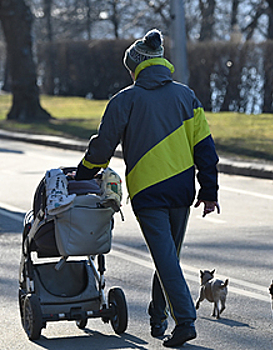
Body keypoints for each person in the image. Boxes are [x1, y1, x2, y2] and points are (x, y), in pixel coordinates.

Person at [75, 29, 220, 347]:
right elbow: (205, 149)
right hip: (182, 190)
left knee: (165, 257)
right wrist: (209, 191)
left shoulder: (125, 100)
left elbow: (101, 151)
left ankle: (185, 321)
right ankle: (158, 316)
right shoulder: (187, 96)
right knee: (167, 256)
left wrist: (82, 174)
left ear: (135, 68)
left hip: (148, 192)